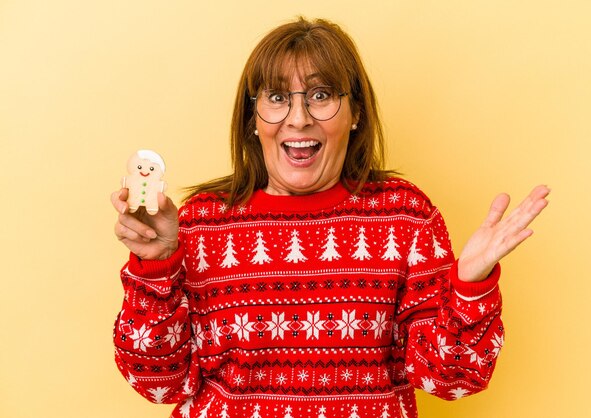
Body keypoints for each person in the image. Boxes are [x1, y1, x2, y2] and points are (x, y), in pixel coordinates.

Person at [111, 17, 549, 418]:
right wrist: (156, 267)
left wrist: (469, 288)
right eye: (278, 97)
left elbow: (450, 381)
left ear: (356, 113)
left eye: (321, 96)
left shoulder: (405, 217)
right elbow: (157, 383)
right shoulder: (200, 222)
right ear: (253, 118)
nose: (298, 119)